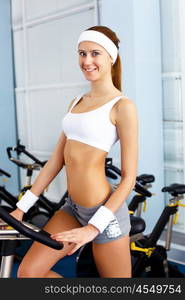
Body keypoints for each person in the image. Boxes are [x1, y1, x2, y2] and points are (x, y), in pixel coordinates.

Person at [11, 25, 138, 278]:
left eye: (94, 53)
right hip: (73, 208)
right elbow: (56, 160)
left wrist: (93, 228)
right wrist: (21, 207)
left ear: (110, 57)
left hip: (105, 216)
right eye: (81, 53)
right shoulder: (77, 102)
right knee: (28, 274)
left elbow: (128, 178)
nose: (86, 61)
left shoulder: (122, 106)